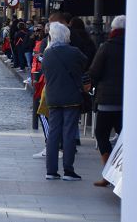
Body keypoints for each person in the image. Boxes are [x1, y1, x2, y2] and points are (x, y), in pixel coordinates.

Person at [41, 22, 89, 181]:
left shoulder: (47, 53)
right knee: (68, 133)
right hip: (71, 97)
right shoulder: (74, 52)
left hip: (53, 97)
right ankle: (68, 170)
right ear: (66, 36)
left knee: (53, 133)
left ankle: (51, 170)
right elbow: (85, 63)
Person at [88, 15, 125, 186]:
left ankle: (108, 174)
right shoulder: (136, 46)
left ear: (113, 29)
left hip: (107, 101)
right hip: (128, 102)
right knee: (125, 137)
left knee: (102, 135)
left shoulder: (106, 47)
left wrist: (91, 85)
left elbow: (94, 71)